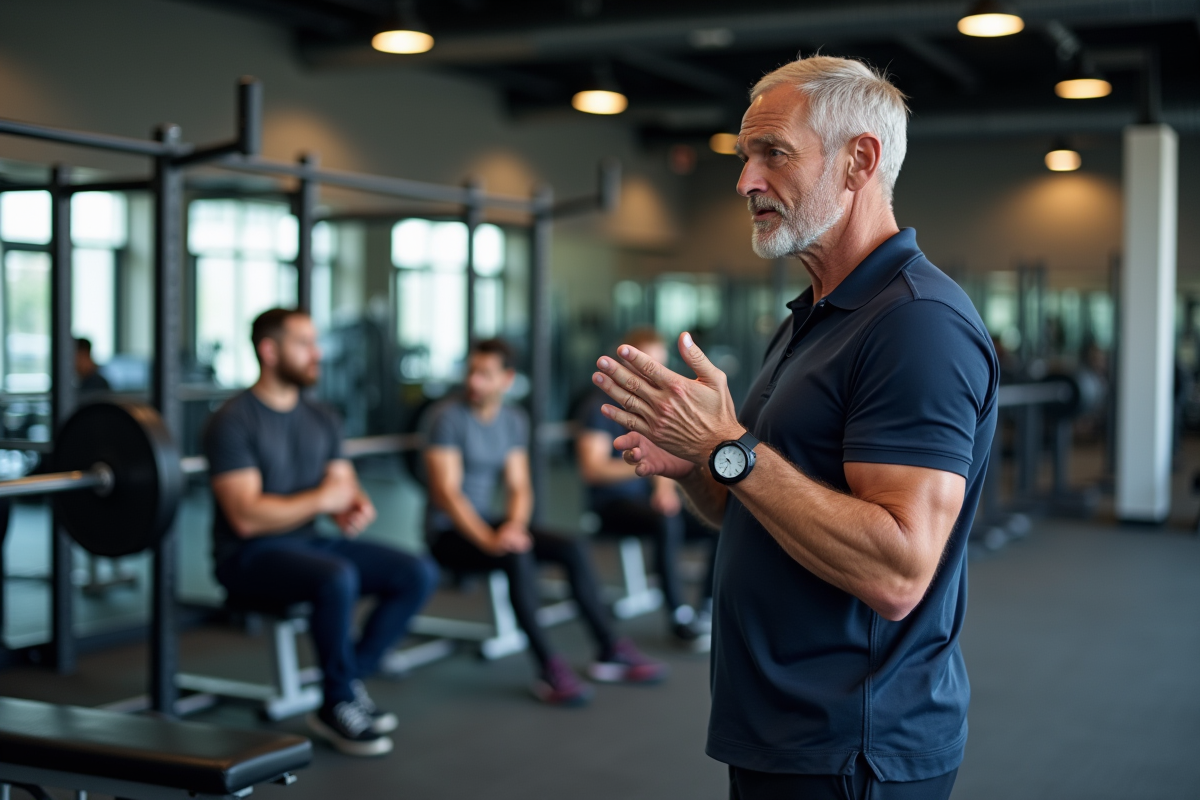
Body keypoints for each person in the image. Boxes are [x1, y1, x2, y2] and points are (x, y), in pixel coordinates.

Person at [591, 56, 997, 799]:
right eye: (746, 155)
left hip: (853, 749)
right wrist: (694, 462)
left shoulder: (915, 324)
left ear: (858, 162)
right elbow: (747, 499)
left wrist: (727, 448)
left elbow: (899, 570)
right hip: (782, 731)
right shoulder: (816, 315)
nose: (745, 180)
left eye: (772, 152)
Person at [205, 308, 437, 757]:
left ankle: (347, 681)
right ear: (268, 351)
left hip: (307, 541)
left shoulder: (323, 416)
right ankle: (336, 702)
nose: (317, 354)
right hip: (248, 555)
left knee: (416, 572)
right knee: (335, 576)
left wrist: (353, 502)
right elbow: (246, 517)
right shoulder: (232, 420)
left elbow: (341, 483)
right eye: (303, 344)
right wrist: (324, 500)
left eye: (316, 342)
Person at [424, 337, 667, 706]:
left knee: (570, 547)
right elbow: (447, 494)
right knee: (516, 556)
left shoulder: (512, 420)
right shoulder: (446, 417)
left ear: (507, 379)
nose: (474, 382)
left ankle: (609, 649)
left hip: (489, 522)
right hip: (448, 532)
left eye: (485, 374)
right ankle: (548, 668)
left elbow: (519, 485)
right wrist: (492, 540)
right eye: (471, 372)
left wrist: (513, 527)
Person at [576, 326, 713, 650]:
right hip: (609, 507)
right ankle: (679, 617)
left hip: (645, 501)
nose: (657, 373)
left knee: (717, 520)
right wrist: (644, 462)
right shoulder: (596, 407)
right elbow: (592, 470)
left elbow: (663, 464)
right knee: (665, 522)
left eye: (661, 365)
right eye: (648, 363)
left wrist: (663, 492)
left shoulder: (651, 408)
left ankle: (706, 607)